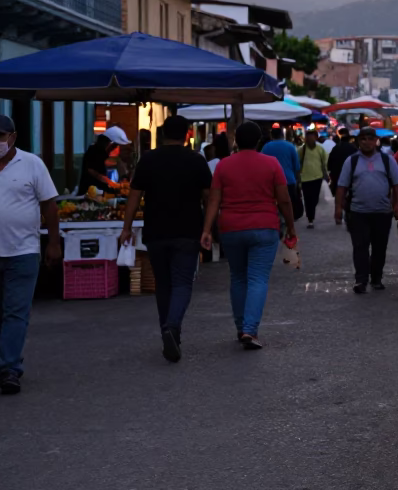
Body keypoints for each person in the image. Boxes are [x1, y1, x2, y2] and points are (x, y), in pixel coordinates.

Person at [0, 114, 61, 395]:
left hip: (23, 252)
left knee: (15, 312)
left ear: (13, 137)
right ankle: (9, 358)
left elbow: (49, 207)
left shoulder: (32, 164)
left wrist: (53, 243)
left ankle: (9, 368)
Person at [120, 115, 212, 363]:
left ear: (162, 135)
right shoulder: (196, 160)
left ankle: (169, 332)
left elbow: (134, 196)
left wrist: (126, 228)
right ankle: (172, 327)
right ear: (187, 135)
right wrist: (208, 227)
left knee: (163, 284)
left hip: (156, 231)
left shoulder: (148, 159)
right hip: (188, 231)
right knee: (182, 283)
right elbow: (208, 197)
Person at [200, 121, 298, 350]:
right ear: (258, 141)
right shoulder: (271, 164)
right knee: (257, 279)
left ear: (236, 141)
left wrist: (206, 229)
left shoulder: (224, 165)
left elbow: (213, 200)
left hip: (231, 229)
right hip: (264, 228)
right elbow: (284, 199)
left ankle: (240, 327)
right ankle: (249, 329)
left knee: (238, 277)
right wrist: (291, 227)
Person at [335, 129, 398, 293]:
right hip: (358, 212)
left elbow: (397, 184)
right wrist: (338, 208)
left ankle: (376, 278)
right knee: (360, 247)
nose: (367, 142)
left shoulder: (388, 161)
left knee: (380, 247)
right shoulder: (351, 161)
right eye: (363, 139)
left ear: (376, 141)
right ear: (358, 141)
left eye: (370, 139)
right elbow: (342, 186)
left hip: (383, 212)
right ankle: (361, 280)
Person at [261, 126, 303, 227]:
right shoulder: (290, 146)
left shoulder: (266, 147)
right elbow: (296, 166)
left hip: (271, 182)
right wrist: (298, 180)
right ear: (282, 135)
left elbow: (262, 164)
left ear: (272, 135)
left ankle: (277, 220)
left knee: (273, 203)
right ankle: (289, 221)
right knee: (288, 202)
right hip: (289, 180)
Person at [78, 126, 131, 195]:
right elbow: (92, 171)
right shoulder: (93, 151)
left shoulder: (103, 152)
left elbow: (115, 162)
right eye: (114, 145)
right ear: (108, 143)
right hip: (89, 192)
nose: (115, 148)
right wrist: (113, 184)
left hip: (99, 190)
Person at [298, 129, 330, 229]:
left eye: (312, 137)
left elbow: (326, 162)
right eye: (308, 137)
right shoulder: (301, 150)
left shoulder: (320, 149)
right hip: (305, 178)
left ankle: (311, 213)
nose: (309, 139)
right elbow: (297, 163)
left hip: (317, 177)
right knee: (307, 199)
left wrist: (327, 174)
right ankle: (310, 219)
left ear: (316, 138)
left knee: (315, 199)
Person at [328, 127, 357, 194]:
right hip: (350, 179)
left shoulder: (335, 148)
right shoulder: (353, 149)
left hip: (337, 178)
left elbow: (329, 165)